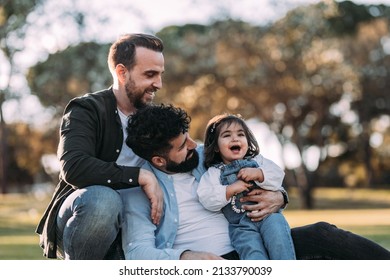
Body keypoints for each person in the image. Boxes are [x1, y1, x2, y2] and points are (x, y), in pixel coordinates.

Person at [122, 103, 390, 260]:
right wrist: (187, 257)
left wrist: (280, 196)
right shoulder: (139, 190)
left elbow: (261, 170)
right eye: (183, 146)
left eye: (190, 137)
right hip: (219, 260)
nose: (195, 145)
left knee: (322, 233)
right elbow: (137, 252)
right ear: (159, 160)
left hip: (258, 235)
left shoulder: (207, 155)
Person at [35, 33, 166, 259]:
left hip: (137, 225)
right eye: (150, 74)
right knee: (104, 201)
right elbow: (74, 167)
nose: (159, 84)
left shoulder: (158, 119)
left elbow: (187, 159)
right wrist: (141, 175)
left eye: (160, 75)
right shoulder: (86, 109)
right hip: (86, 215)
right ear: (122, 72)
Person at [197, 113, 295, 260]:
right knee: (253, 254)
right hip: (241, 227)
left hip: (269, 217)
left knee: (279, 241)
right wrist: (230, 189)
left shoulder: (258, 161)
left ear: (247, 141)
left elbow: (277, 174)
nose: (235, 138)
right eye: (227, 135)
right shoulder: (214, 173)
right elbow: (206, 197)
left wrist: (259, 174)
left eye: (240, 134)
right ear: (216, 147)